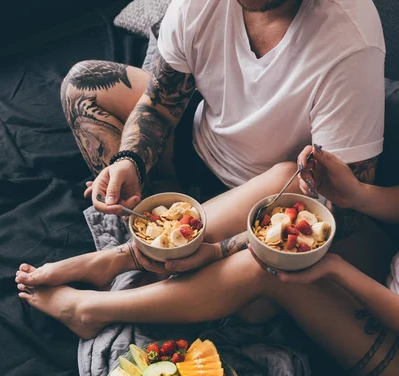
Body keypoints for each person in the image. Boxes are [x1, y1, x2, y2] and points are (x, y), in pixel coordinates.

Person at [15, 146, 399, 376]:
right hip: (384, 263)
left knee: (263, 266)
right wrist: (357, 195)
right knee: (289, 179)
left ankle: (90, 310)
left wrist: (334, 269)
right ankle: (120, 258)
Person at [61, 0, 384, 241]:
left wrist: (237, 242)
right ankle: (154, 227)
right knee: (83, 85)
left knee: (263, 284)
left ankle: (165, 254)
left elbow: (343, 210)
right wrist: (129, 160)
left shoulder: (350, 40)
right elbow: (159, 106)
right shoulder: (198, 5)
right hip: (198, 145)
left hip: (266, 197)